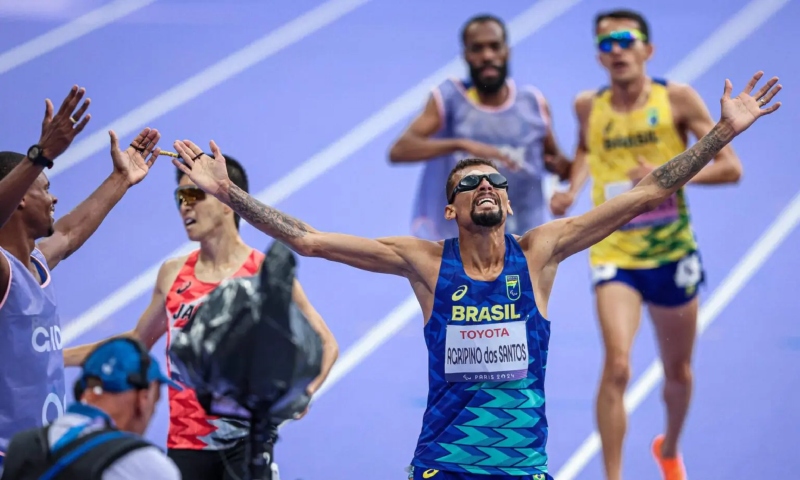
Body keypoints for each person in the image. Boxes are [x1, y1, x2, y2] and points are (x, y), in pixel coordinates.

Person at [168, 71, 781, 479]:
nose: (484, 187)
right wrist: (228, 193)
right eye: (468, 184)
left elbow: (646, 192)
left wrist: (721, 133)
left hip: (521, 466)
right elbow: (308, 240)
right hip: (445, 464)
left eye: (494, 181)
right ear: (451, 209)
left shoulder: (540, 253)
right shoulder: (425, 263)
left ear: (508, 202)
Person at [549, 10, 745, 480]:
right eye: (606, 43)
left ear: (647, 50)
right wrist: (572, 188)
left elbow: (730, 168)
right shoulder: (586, 105)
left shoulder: (675, 98)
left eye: (625, 39)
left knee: (677, 372)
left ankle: (669, 448)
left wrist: (666, 181)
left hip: (671, 253)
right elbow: (585, 148)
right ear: (599, 56)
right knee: (617, 366)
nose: (616, 49)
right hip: (613, 251)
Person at [65, 154, 339, 480]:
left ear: (227, 201)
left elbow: (325, 342)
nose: (185, 206)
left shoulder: (263, 273)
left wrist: (304, 394)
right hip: (186, 442)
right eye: (180, 198)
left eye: (195, 194)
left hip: (246, 441)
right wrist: (55, 357)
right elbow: (136, 342)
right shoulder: (172, 273)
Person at [0, 84, 161, 460]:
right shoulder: (4, 274)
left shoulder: (37, 262)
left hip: (48, 452)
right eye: (45, 188)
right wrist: (39, 157)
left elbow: (70, 233)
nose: (54, 197)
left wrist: (121, 179)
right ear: (20, 198)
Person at [389, 14, 571, 240]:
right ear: (465, 55)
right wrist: (461, 144)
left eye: (494, 47)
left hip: (521, 235)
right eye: (477, 49)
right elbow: (400, 150)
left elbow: (558, 163)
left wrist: (563, 181)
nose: (487, 56)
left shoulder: (532, 104)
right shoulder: (449, 100)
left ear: (507, 52)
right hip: (462, 238)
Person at [1, 337, 182, 480]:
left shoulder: (21, 446)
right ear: (143, 400)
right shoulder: (149, 467)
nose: (153, 412)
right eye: (156, 400)